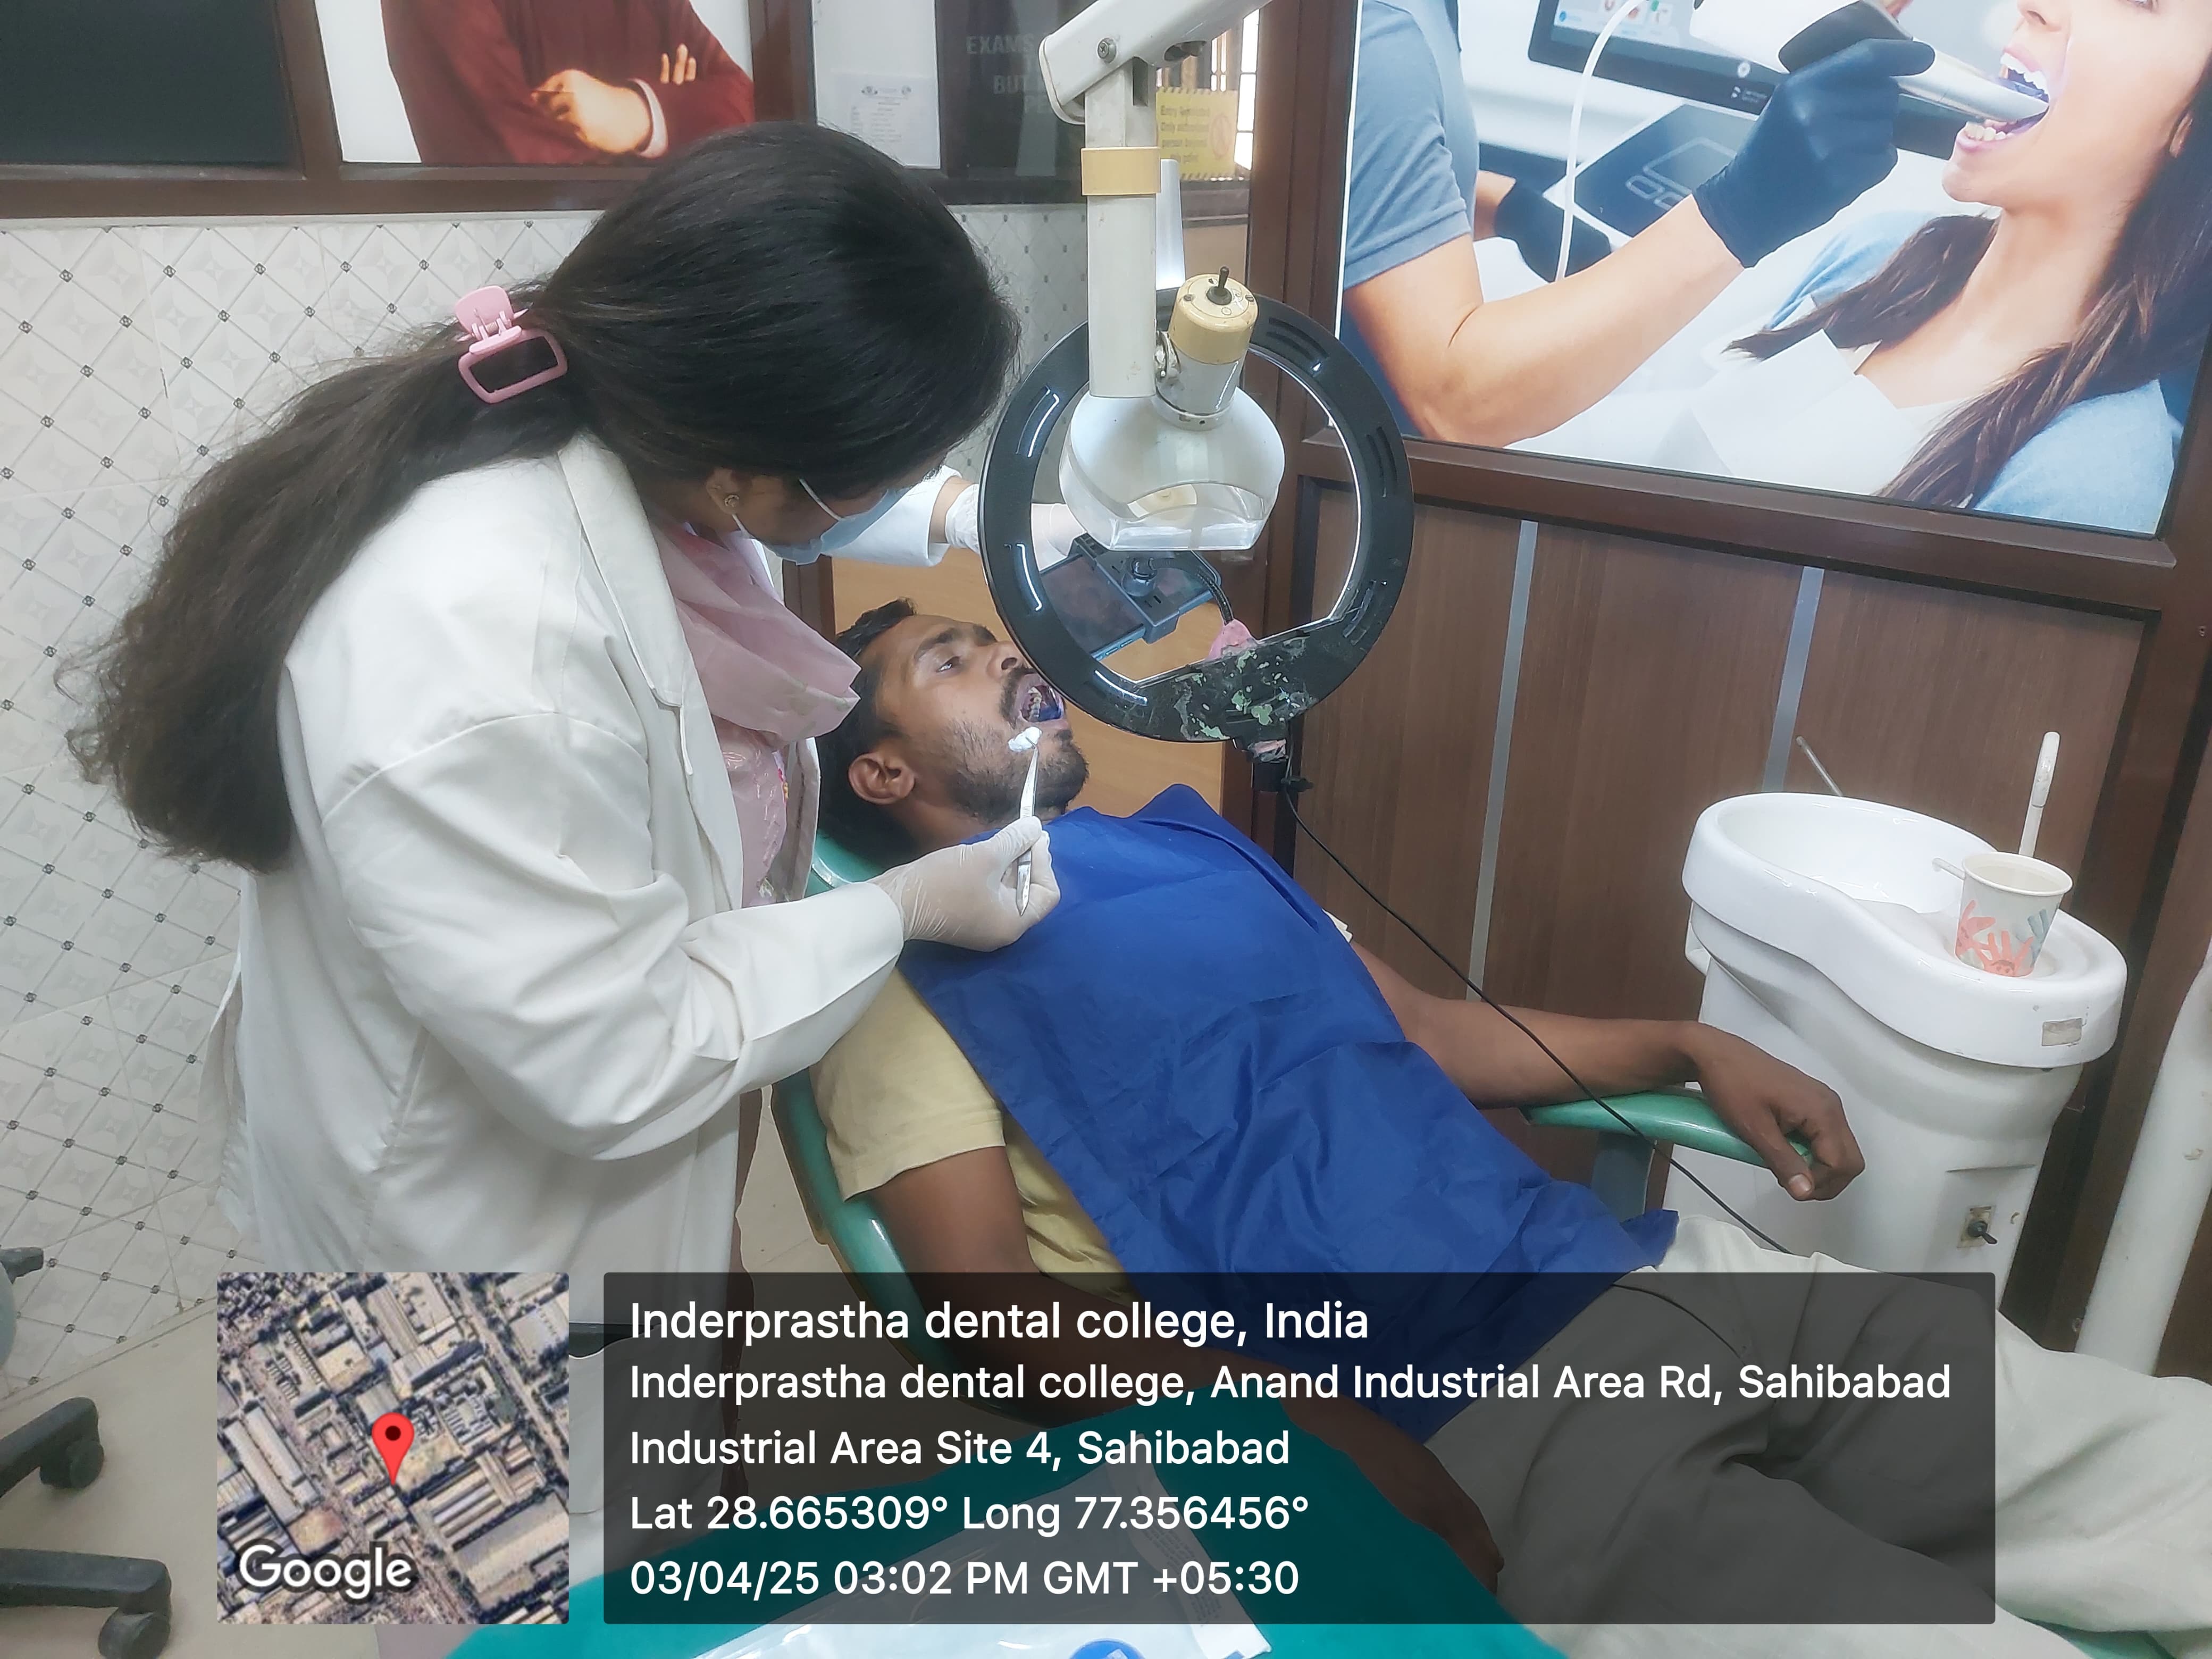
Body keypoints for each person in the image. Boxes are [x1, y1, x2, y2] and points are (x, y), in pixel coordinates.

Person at [807, 599, 2212, 1658]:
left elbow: (1429, 1034)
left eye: (995, 638)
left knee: (2155, 1463)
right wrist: (1318, 1444)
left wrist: (1690, 1044)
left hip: (1657, 1275)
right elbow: (1000, 1314)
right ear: (879, 775)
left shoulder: (1190, 849)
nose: (1004, 655)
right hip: (1485, 1422)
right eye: (949, 661)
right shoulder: (900, 981)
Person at [67, 129, 1063, 1296]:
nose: (887, 497)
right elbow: (618, 1058)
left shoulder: (628, 435)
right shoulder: (488, 653)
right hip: (462, 1234)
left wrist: (984, 516)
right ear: (743, 470)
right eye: (880, 474)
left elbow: (794, 506)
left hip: (621, 1151)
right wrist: (898, 910)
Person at [1556, 0, 2212, 533]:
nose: (2032, 5)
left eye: (2136, 0)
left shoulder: (2090, 479)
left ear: (2190, 124)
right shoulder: (1882, 251)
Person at [1339, 0, 1938, 444]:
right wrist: (1741, 211)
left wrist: (1510, 206)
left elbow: (1360, 169)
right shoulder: (1373, 32)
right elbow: (1456, 402)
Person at [380, 0, 756, 165]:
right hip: (533, 278)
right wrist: (682, 132)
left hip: (677, 262)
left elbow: (750, 109)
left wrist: (637, 114)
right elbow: (514, 172)